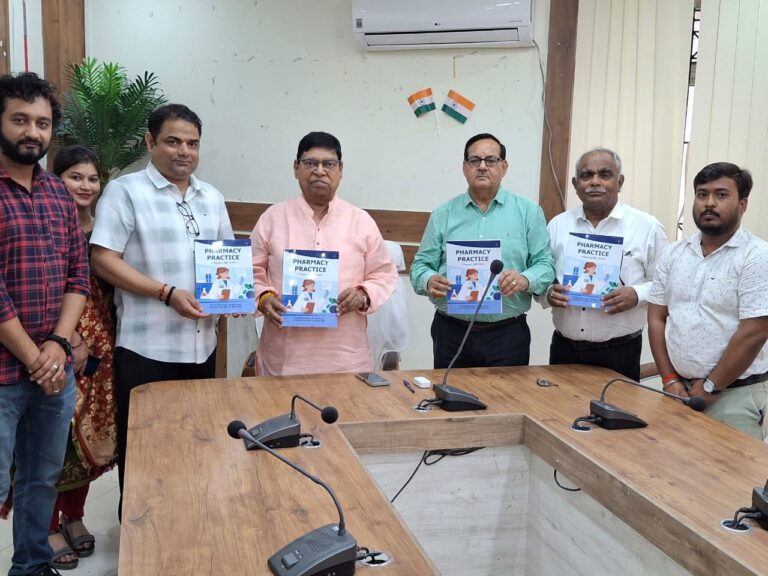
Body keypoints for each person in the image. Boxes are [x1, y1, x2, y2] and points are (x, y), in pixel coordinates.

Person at [90, 104, 234, 510]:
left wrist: (234, 296)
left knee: (194, 446)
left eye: (192, 143)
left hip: (202, 348)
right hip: (146, 350)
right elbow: (102, 259)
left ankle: (186, 526)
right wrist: (166, 293)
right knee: (144, 453)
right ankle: (139, 536)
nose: (184, 151)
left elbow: (227, 262)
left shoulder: (212, 197)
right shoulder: (126, 191)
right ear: (151, 142)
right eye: (173, 141)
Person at [0, 73, 89, 576]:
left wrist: (57, 343)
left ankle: (32, 567)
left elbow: (78, 272)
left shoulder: (57, 191)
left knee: (41, 479)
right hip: (6, 373)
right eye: (20, 120)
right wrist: (38, 358)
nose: (32, 132)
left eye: (42, 122)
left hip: (54, 369)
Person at [252, 131, 397, 376]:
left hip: (345, 361)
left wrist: (363, 294)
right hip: (283, 360)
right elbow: (250, 271)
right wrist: (263, 297)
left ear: (340, 169)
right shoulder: (272, 218)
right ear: (296, 168)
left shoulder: (361, 221)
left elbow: (384, 274)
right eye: (310, 163)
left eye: (328, 164)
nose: (319, 171)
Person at [410, 132, 555, 368]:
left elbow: (545, 264)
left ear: (504, 166)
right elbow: (420, 266)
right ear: (464, 167)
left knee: (508, 394)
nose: (482, 166)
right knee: (448, 391)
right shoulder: (443, 214)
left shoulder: (528, 212)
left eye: (491, 160)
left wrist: (525, 279)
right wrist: (428, 280)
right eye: (475, 160)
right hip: (451, 331)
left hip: (507, 334)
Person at [648, 162, 768, 440]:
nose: (709, 203)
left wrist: (712, 386)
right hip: (678, 391)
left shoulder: (757, 256)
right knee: (670, 464)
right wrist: (669, 379)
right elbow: (656, 318)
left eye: (721, 195)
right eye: (702, 194)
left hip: (734, 396)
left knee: (730, 470)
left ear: (742, 204)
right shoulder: (674, 253)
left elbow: (755, 331)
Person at [39, 146, 117, 570]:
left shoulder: (106, 227)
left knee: (91, 436)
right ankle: (48, 525)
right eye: (75, 177)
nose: (85, 185)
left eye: (92, 178)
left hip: (103, 347)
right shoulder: (47, 225)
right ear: (56, 179)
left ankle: (75, 516)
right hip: (55, 343)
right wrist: (68, 337)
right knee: (56, 439)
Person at [543, 148, 667, 381]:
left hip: (620, 352)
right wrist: (548, 293)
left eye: (604, 174)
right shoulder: (558, 225)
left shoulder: (647, 227)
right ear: (575, 184)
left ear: (620, 182)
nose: (595, 182)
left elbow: (666, 284)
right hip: (564, 349)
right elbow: (543, 275)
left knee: (616, 406)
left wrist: (636, 294)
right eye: (586, 175)